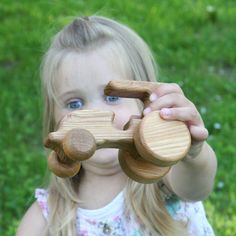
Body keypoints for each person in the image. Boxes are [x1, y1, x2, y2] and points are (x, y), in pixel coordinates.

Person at [16, 15, 217, 236]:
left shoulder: (162, 174)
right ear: (54, 120)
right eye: (74, 103)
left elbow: (196, 186)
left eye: (112, 98)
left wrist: (192, 154)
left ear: (146, 102)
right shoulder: (48, 215)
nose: (95, 114)